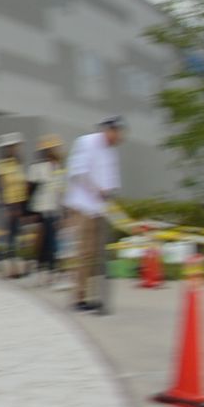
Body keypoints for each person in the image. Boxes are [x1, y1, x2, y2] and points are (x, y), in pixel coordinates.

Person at [67, 116, 126, 313]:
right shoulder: (87, 142)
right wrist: (97, 190)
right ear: (108, 130)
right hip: (84, 206)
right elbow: (79, 173)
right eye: (117, 132)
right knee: (84, 253)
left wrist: (110, 196)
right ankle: (78, 297)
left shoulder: (111, 151)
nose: (119, 137)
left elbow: (112, 179)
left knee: (96, 254)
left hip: (101, 208)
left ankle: (93, 296)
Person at [27, 134, 68, 280]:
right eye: (55, 148)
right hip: (41, 208)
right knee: (48, 238)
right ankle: (49, 266)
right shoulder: (37, 167)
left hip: (55, 207)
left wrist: (64, 209)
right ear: (48, 150)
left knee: (50, 237)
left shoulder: (59, 166)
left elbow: (61, 189)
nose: (58, 150)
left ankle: (44, 266)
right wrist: (30, 212)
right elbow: (31, 189)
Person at [0, 135, 32, 275]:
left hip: (21, 203)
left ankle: (21, 264)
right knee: (11, 235)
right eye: (13, 147)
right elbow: (0, 186)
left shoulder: (18, 163)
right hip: (9, 204)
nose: (16, 149)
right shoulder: (1, 165)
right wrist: (6, 206)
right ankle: (10, 266)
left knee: (21, 234)